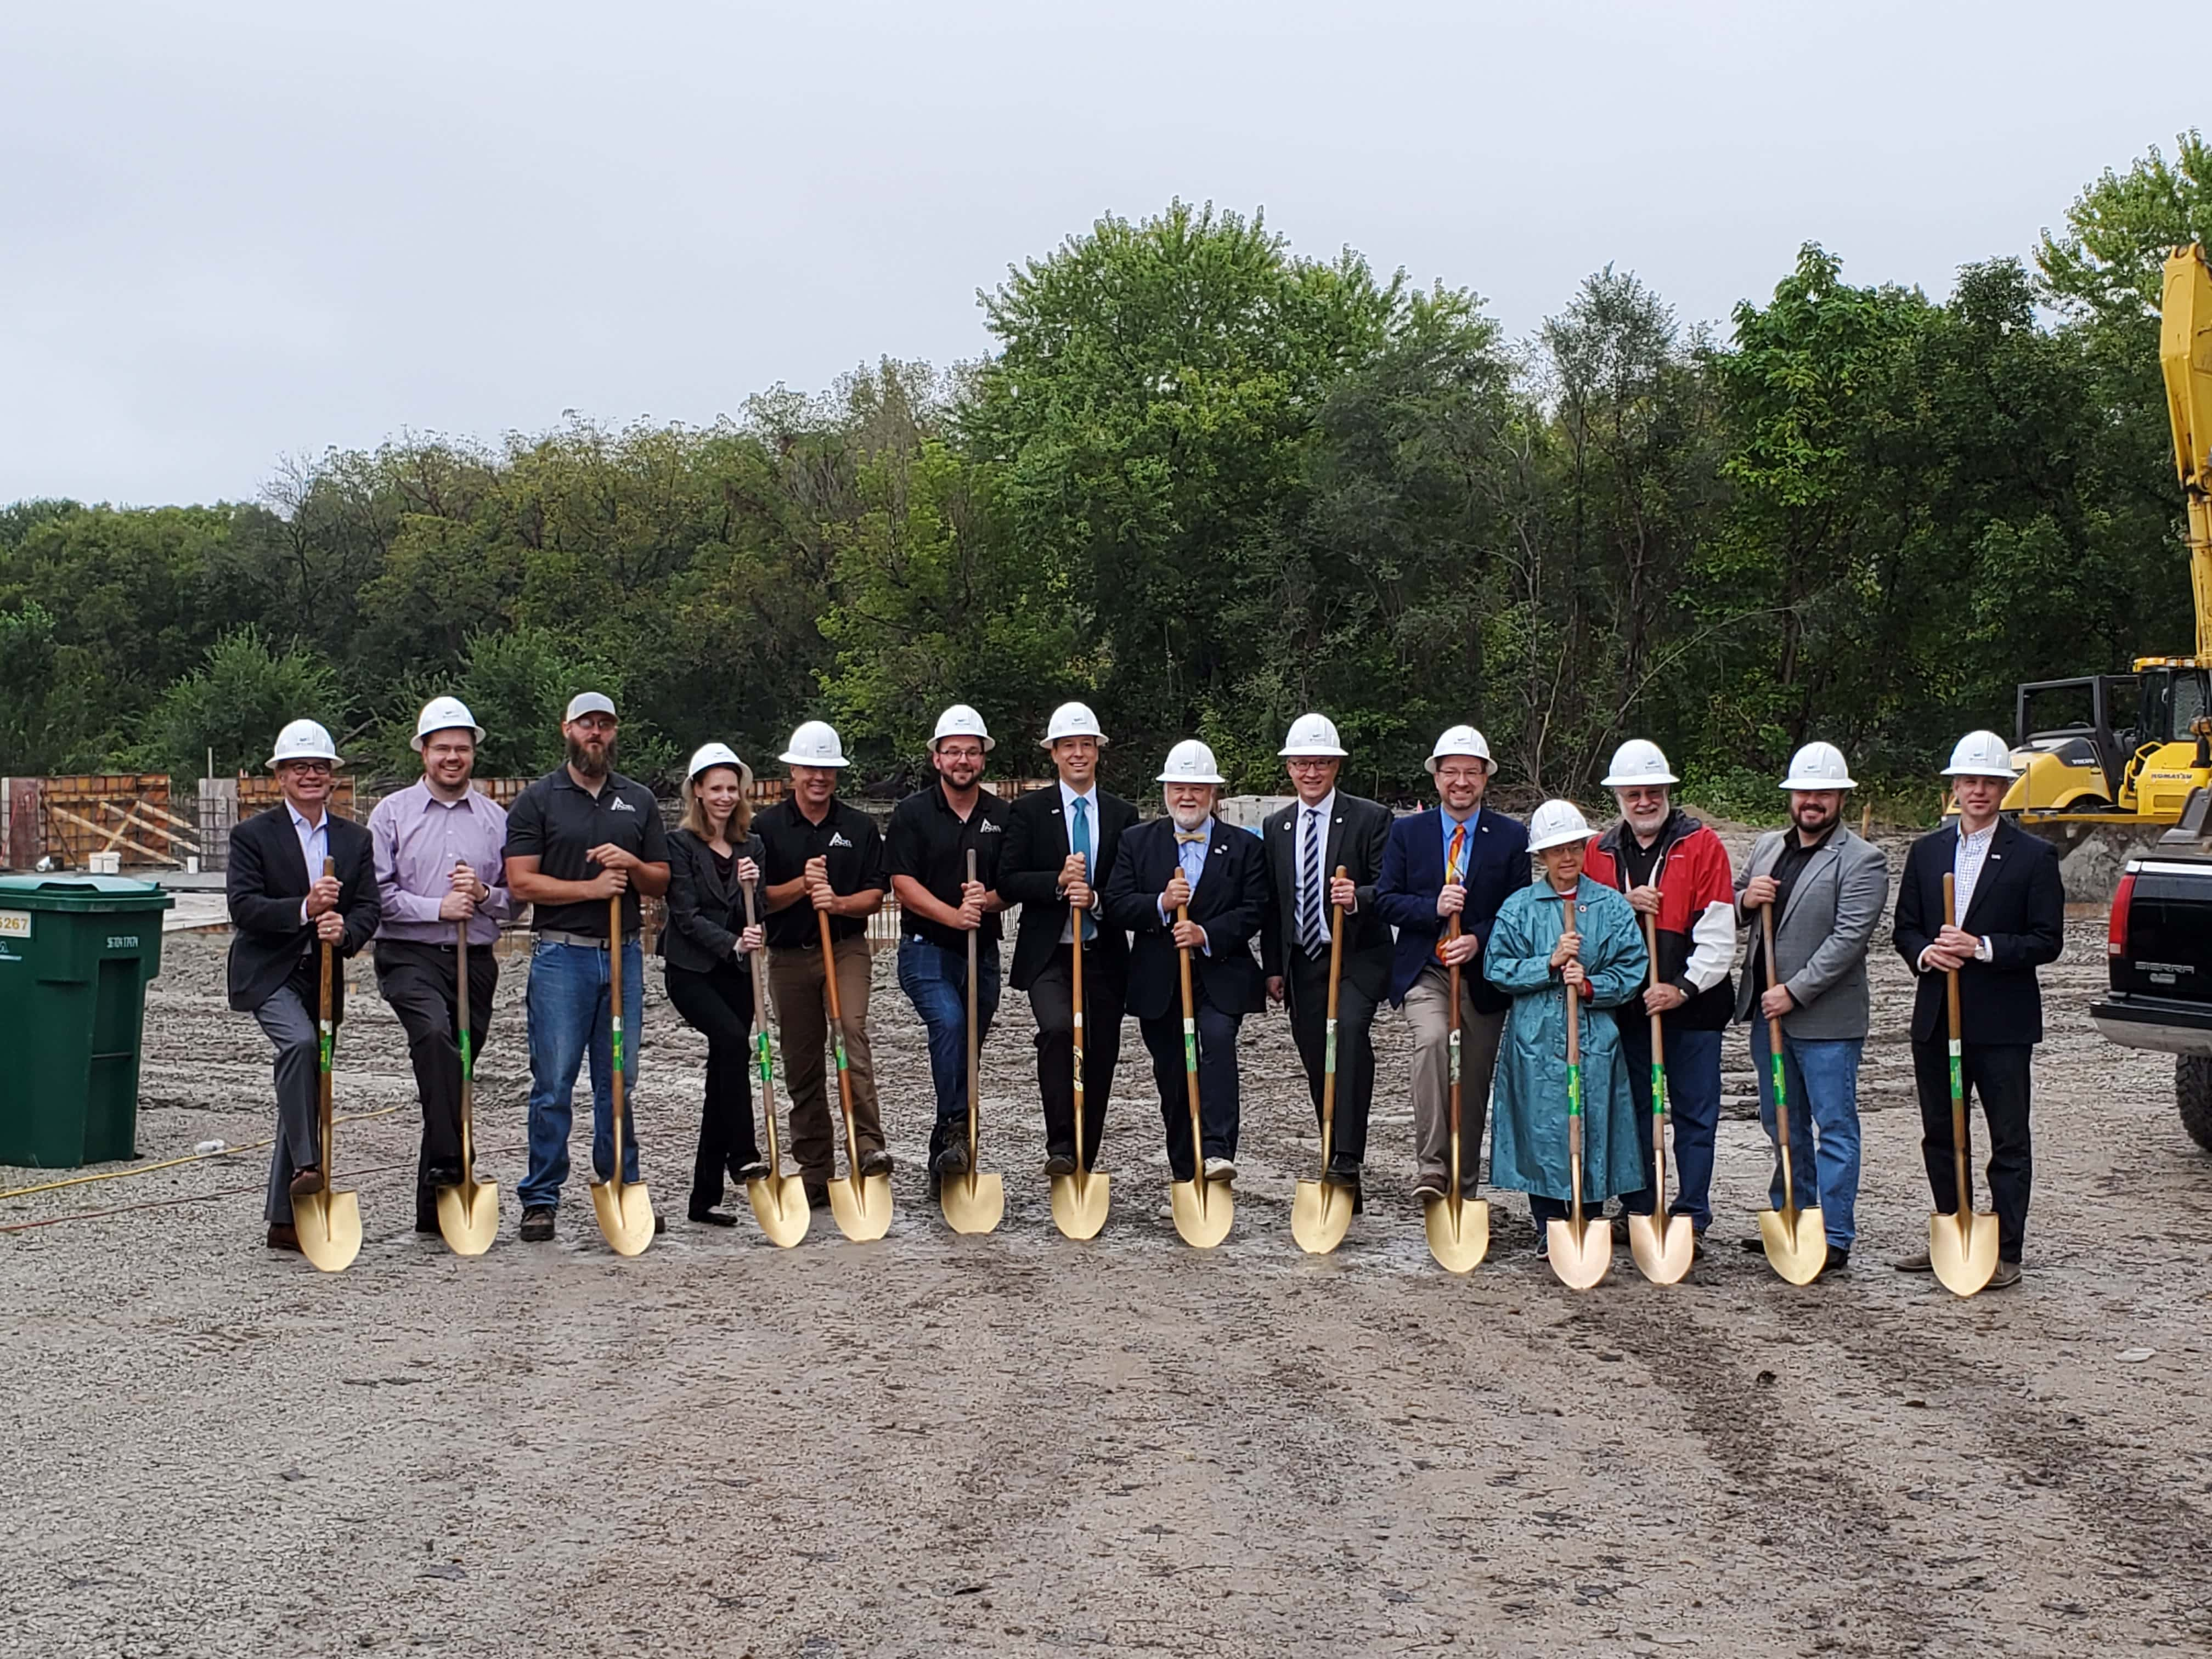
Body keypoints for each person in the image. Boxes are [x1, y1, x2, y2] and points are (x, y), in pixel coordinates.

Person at [1891, 729, 2063, 1289]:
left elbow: (2047, 940)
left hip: (2003, 1022)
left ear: (2004, 789)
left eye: (1990, 782)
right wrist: (1927, 954)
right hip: (1939, 1016)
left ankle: (2005, 1250)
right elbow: (1905, 929)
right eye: (1970, 781)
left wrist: (1980, 948)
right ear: (1955, 788)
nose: (1979, 791)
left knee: (2008, 1137)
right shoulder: (1927, 852)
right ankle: (1953, 1228)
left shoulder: (2034, 857)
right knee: (1942, 1132)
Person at [503, 692, 670, 1243]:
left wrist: (632, 866)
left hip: (622, 954)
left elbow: (662, 878)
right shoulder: (538, 800)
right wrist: (591, 888)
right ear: (567, 730)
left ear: (614, 732)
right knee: (553, 1082)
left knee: (618, 1082)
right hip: (562, 956)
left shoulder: (638, 800)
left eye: (604, 725)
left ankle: (622, 1181)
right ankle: (541, 1197)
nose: (595, 733)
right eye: (585, 724)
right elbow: (522, 882)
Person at [1733, 741, 1890, 1275]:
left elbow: (1848, 941)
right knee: (1782, 1120)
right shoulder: (1766, 848)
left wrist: (1794, 991)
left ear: (1841, 798)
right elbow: (1732, 905)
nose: (1812, 802)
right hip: (1767, 1016)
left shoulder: (1862, 860)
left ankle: (1835, 1233)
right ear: (1792, 797)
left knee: (1834, 1125)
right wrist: (1745, 900)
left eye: (1823, 793)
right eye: (1804, 792)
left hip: (1825, 1022)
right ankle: (1791, 1216)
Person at [225, 719, 380, 1252]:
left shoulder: (355, 840)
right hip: (268, 971)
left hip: (323, 975)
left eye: (319, 767)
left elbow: (369, 908)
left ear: (332, 777)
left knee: (305, 1088)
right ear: (281, 778)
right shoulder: (252, 836)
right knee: (298, 1045)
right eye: (299, 767)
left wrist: (348, 930)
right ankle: (310, 1164)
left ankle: (284, 1221)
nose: (310, 775)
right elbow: (243, 908)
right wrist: (304, 909)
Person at [366, 696, 511, 1237]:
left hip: (473, 958)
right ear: (423, 752)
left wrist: (484, 893)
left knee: (457, 1068)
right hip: (410, 955)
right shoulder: (391, 815)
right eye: (442, 748)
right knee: (433, 1039)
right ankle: (454, 1162)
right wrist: (437, 908)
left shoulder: (496, 820)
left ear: (473, 754)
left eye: (462, 749)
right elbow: (376, 896)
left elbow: (514, 901)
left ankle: (435, 1206)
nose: (453, 758)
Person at [1581, 739, 1735, 1243]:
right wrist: (1622, 903)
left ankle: (1691, 1214)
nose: (1644, 801)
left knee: (1694, 1114)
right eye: (1633, 794)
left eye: (1652, 792)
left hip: (1694, 1007)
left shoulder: (1703, 845)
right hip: (1628, 1008)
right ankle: (1641, 1210)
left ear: (1667, 791)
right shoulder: (1598, 852)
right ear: (1619, 798)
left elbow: (1718, 932)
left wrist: (1682, 988)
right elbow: (1586, 922)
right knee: (1637, 1114)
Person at [1483, 800, 1648, 1254]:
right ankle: (1548, 1223)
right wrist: (1549, 964)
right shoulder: (1520, 908)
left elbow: (1633, 969)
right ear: (1542, 856)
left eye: (1575, 847)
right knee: (1542, 1125)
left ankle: (1588, 1217)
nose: (1568, 858)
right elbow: (1497, 969)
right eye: (1557, 851)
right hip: (1536, 1038)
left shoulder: (1610, 907)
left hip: (1594, 1038)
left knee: (1594, 1122)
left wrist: (1592, 985)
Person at [1374, 726, 1530, 1204]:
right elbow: (1386, 900)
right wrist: (1433, 909)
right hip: (1427, 969)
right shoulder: (1407, 833)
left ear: (1485, 779)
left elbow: (1518, 907)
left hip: (1482, 976)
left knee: (1472, 1076)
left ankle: (1463, 1185)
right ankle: (1433, 1168)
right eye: (1451, 773)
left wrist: (1477, 939)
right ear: (1436, 778)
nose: (1460, 782)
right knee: (1435, 1042)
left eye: (1471, 773)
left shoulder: (1510, 836)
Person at [1104, 740, 1268, 1186]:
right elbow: (1116, 904)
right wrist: (1160, 903)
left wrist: (1206, 934)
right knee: (1174, 1078)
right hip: (1160, 982)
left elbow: (1255, 908)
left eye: (1197, 788)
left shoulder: (1243, 847)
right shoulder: (1138, 843)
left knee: (1215, 1044)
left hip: (1220, 975)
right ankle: (1184, 1175)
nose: (1187, 797)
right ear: (1166, 792)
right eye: (1179, 788)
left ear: (1214, 794)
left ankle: (1217, 1153)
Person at [1259, 713, 1393, 1211]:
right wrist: (1274, 967)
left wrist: (1355, 897)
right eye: (1301, 763)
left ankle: (1347, 1158)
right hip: (1304, 960)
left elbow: (1390, 888)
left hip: (1356, 957)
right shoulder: (1276, 826)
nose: (1311, 772)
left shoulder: (1370, 818)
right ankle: (1336, 1156)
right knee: (1319, 1059)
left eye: (1320, 762)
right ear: (1289, 769)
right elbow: (1274, 902)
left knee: (1351, 1037)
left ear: (1336, 765)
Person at [1000, 702, 1138, 1176]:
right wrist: (1057, 882)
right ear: (1053, 755)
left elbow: (1129, 887)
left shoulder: (1123, 815)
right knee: (1059, 1032)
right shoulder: (1030, 812)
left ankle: (1084, 1155)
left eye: (1086, 745)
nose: (1078, 754)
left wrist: (1096, 898)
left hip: (1104, 953)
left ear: (1097, 752)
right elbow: (1010, 879)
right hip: (1050, 955)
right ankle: (1060, 1144)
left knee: (1100, 1055)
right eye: (1068, 747)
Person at [755, 719, 889, 1208]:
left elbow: (876, 894)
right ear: (792, 771)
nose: (819, 778)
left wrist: (838, 903)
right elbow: (758, 899)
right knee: (802, 1061)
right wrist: (803, 887)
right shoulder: (764, 829)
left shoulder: (857, 827)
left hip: (847, 948)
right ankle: (815, 1167)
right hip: (789, 956)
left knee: (851, 1034)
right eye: (810, 768)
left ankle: (868, 1149)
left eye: (828, 770)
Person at [887, 704, 1009, 1189]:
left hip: (983, 954)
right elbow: (901, 882)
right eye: (953, 751)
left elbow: (1014, 882)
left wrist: (990, 900)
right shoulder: (912, 813)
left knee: (965, 1050)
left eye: (972, 752)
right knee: (951, 1024)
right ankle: (958, 1133)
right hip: (926, 948)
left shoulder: (1002, 815)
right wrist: (953, 914)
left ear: (983, 760)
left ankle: (947, 1150)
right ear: (936, 758)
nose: (963, 760)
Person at [661, 742, 769, 1227]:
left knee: (721, 1077)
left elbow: (758, 910)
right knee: (731, 1043)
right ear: (698, 791)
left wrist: (754, 907)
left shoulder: (753, 845)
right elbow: (683, 916)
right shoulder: (679, 845)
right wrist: (733, 942)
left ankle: (703, 1199)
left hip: (737, 974)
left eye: (733, 788)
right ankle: (742, 1153)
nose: (725, 796)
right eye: (716, 788)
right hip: (693, 972)